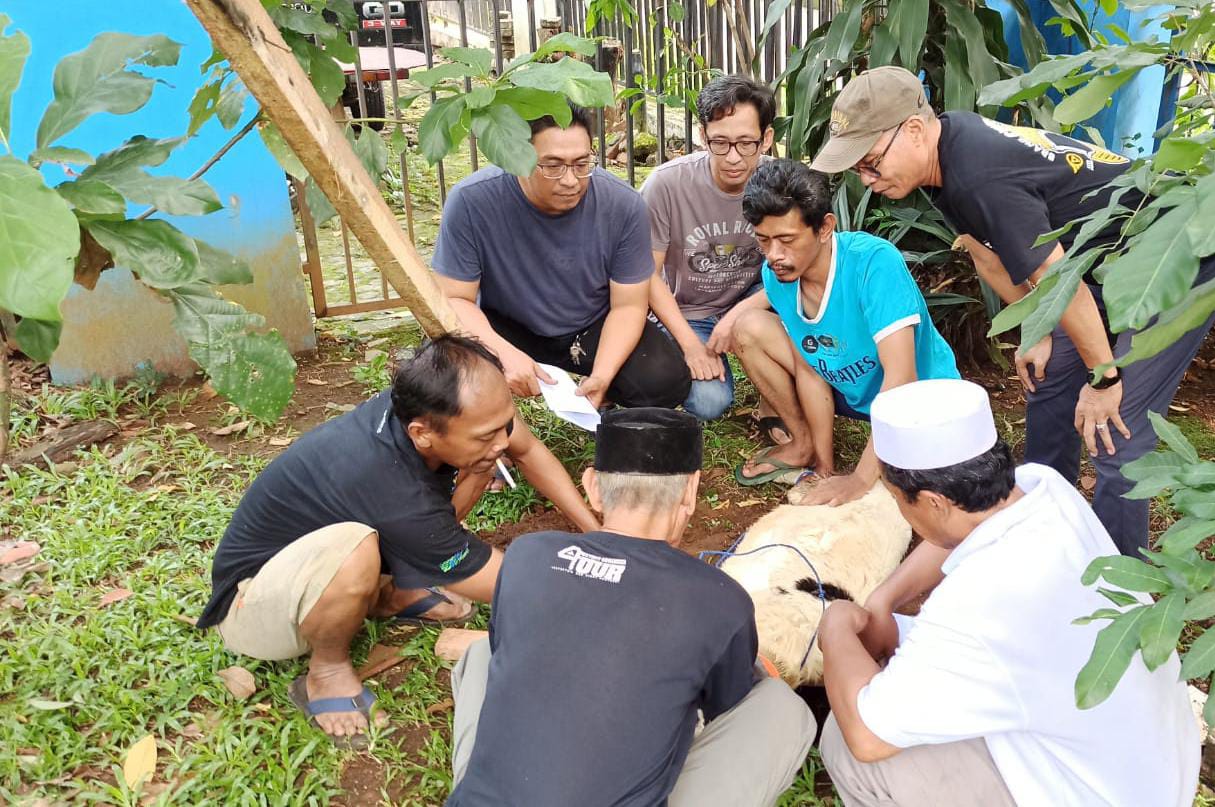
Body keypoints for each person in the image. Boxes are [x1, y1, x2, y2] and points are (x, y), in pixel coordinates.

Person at [810, 65, 1215, 556]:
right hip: (1101, 263)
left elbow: (1059, 281)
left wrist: (1104, 379)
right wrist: (1037, 330)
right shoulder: (943, 152)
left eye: (870, 163)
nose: (866, 180)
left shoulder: (978, 173)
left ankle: (1120, 597)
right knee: (1051, 379)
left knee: (1116, 428)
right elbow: (987, 251)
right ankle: (1045, 538)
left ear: (912, 130)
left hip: (1181, 253)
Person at [195, 336, 598, 747]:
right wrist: (598, 593)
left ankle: (389, 595)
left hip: (316, 562)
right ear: (422, 433)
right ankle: (327, 671)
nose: (501, 443)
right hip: (254, 605)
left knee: (412, 519)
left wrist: (595, 531)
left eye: (504, 424)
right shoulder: (386, 477)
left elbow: (527, 450)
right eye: (485, 437)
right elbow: (498, 581)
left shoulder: (433, 410)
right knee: (355, 549)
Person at [816, 378, 1200, 806]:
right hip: (1150, 768)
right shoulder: (1043, 490)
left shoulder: (977, 602)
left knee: (847, 741)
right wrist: (884, 599)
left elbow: (868, 737)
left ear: (933, 502)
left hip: (1091, 792)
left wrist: (834, 626)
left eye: (896, 498)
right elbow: (956, 534)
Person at [447, 408, 816, 806]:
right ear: (690, 493)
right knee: (781, 707)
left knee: (483, 653)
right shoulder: (719, 599)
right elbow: (725, 707)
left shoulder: (527, 555)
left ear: (593, 487)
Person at [432, 102, 691, 411]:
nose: (570, 180)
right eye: (552, 166)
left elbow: (628, 306)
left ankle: (600, 400)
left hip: (590, 323)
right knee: (443, 373)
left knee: (664, 379)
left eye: (582, 164)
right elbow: (456, 299)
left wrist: (602, 376)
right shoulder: (472, 201)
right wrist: (502, 352)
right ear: (520, 157)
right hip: (510, 325)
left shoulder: (622, 205)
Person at [731, 159, 959, 505]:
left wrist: (859, 479)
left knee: (924, 495)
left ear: (824, 228)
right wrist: (825, 470)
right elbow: (810, 366)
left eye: (787, 240)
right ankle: (805, 445)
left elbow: (902, 380)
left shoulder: (874, 264)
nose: (774, 255)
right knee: (747, 327)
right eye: (763, 240)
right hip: (852, 394)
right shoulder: (777, 276)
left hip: (921, 401)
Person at [641, 74, 774, 421]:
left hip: (753, 301)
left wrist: (735, 318)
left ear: (767, 139)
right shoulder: (666, 185)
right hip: (689, 311)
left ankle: (773, 407)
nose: (733, 157)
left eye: (747, 143)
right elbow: (647, 275)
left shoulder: (781, 183)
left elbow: (798, 269)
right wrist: (690, 346)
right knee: (709, 402)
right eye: (720, 143)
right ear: (703, 136)